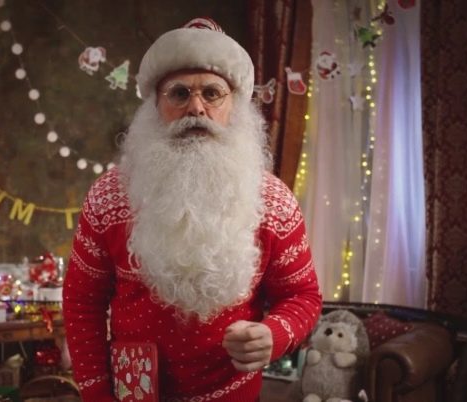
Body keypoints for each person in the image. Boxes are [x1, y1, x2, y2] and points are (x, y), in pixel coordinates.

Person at [62, 17, 322, 402]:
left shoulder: (274, 201)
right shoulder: (108, 196)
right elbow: (82, 301)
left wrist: (275, 334)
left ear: (234, 106)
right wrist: (97, 393)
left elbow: (303, 295)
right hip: (133, 393)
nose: (196, 108)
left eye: (212, 93)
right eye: (179, 93)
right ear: (156, 105)